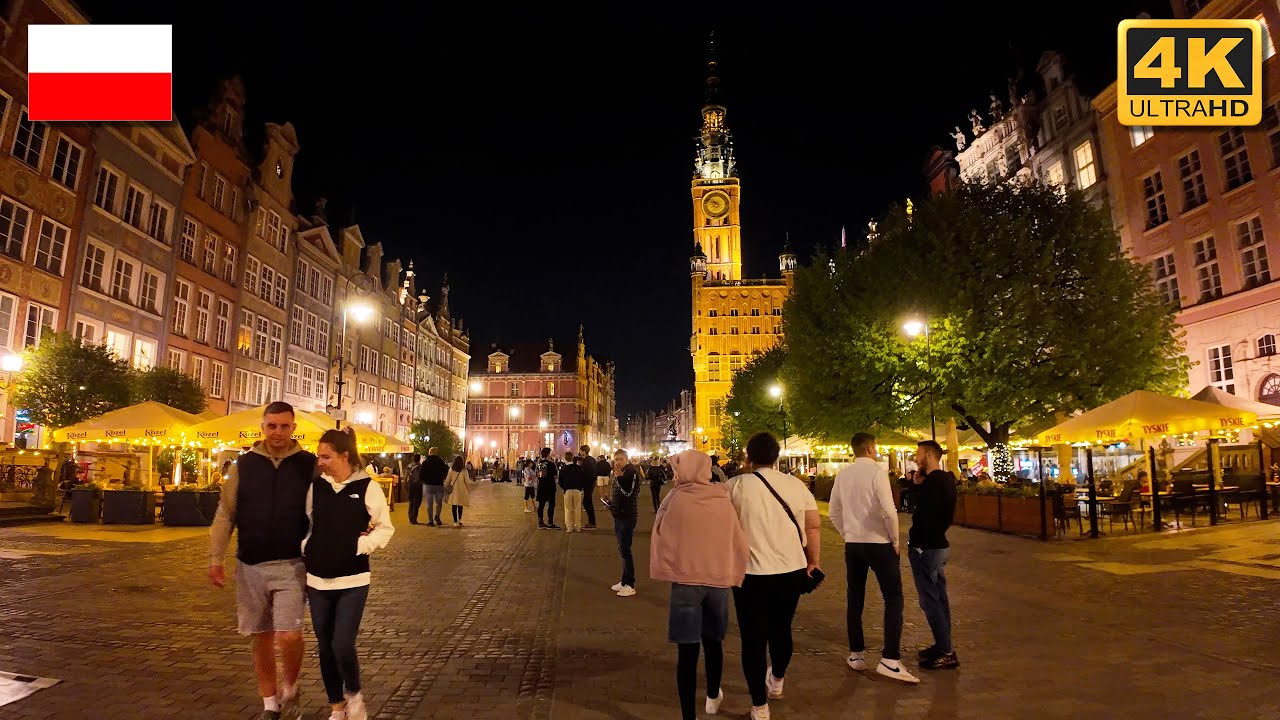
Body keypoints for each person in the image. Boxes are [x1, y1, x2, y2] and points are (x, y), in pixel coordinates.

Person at [209, 401, 317, 720]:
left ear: (294, 428)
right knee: (261, 636)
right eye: (272, 426)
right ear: (263, 427)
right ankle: (270, 702)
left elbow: (326, 507)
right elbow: (225, 513)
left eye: (284, 426)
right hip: (250, 564)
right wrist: (216, 558)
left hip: (292, 564)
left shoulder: (309, 465)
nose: (277, 432)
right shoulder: (243, 465)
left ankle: (291, 686)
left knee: (290, 634)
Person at [725, 432, 820, 720]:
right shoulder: (796, 485)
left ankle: (759, 706)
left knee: (753, 639)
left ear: (748, 457)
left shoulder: (735, 486)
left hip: (750, 573)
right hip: (790, 570)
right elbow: (813, 526)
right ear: (776, 457)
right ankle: (777, 679)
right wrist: (813, 561)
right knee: (782, 629)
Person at [650, 449, 749, 720]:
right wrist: (736, 569)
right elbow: (736, 537)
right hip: (717, 581)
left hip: (686, 581)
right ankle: (713, 695)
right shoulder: (722, 498)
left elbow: (660, 529)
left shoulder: (677, 498)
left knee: (687, 651)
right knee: (714, 642)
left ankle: (688, 716)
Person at [303, 428, 394, 720]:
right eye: (319, 456)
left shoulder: (367, 486)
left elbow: (385, 527)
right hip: (317, 579)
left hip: (353, 578)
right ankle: (337, 707)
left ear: (344, 456)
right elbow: (305, 523)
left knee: (342, 643)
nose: (320, 462)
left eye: (326, 456)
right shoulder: (316, 487)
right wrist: (307, 546)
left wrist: (360, 545)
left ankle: (354, 694)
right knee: (325, 646)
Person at [828, 433, 918, 684]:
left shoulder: (843, 475)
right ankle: (890, 658)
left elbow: (834, 511)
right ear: (869, 448)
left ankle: (856, 654)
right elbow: (889, 510)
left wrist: (847, 533)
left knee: (855, 596)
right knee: (893, 598)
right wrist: (895, 540)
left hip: (854, 544)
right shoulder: (877, 473)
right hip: (879, 543)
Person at [909, 440, 959, 670]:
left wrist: (918, 544)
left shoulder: (934, 482)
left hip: (927, 547)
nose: (915, 458)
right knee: (939, 598)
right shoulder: (945, 480)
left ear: (929, 455)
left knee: (930, 601)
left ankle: (946, 651)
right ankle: (943, 645)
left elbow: (922, 514)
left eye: (918, 454)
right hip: (938, 545)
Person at [609, 449, 641, 596]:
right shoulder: (620, 473)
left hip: (628, 516)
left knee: (626, 550)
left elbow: (628, 492)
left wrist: (619, 477)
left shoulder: (631, 472)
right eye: (616, 459)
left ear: (626, 460)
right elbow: (618, 493)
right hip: (619, 515)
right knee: (622, 549)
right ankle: (624, 581)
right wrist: (611, 504)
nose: (618, 462)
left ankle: (630, 584)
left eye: (621, 459)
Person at [557, 451, 587, 532]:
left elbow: (560, 481)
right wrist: (581, 487)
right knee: (577, 508)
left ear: (565, 458)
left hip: (567, 490)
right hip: (577, 490)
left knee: (568, 509)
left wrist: (564, 487)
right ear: (573, 458)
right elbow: (583, 478)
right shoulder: (578, 468)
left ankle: (569, 527)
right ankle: (577, 526)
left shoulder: (563, 469)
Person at [420, 448, 449, 527]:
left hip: (428, 485)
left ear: (429, 452)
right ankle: (437, 515)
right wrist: (442, 478)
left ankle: (430, 521)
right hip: (438, 484)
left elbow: (421, 474)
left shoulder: (425, 462)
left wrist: (424, 480)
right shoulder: (440, 462)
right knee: (439, 502)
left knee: (429, 504)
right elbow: (446, 471)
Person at [536, 447, 560, 530]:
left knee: (541, 505)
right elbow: (555, 475)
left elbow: (538, 475)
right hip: (550, 487)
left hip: (541, 487)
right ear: (548, 454)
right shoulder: (551, 464)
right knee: (551, 505)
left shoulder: (539, 464)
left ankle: (541, 522)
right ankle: (550, 522)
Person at [444, 455, 471, 527]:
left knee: (454, 505)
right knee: (460, 505)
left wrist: (446, 486)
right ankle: (459, 520)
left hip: (453, 489)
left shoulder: (451, 469)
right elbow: (467, 481)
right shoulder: (464, 470)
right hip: (461, 489)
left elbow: (448, 480)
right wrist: (468, 490)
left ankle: (455, 521)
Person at [578, 445, 599, 530]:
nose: (580, 452)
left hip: (587, 483)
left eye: (580, 450)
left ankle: (592, 522)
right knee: (588, 502)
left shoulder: (585, 461)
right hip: (591, 483)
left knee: (587, 502)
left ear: (583, 451)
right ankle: (592, 522)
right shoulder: (592, 459)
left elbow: (585, 473)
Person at [405, 455, 424, 525]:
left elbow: (406, 476)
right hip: (418, 485)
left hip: (411, 484)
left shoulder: (409, 466)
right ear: (419, 459)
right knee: (417, 501)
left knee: (411, 501)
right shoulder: (421, 466)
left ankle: (410, 517)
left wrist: (405, 483)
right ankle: (414, 518)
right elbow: (423, 476)